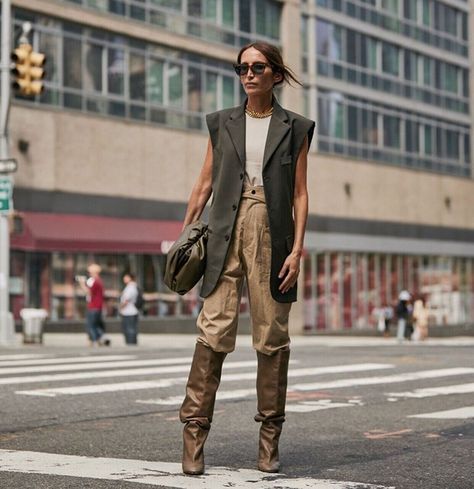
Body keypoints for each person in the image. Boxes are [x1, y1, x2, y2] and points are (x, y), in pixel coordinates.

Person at [178, 41, 315, 476]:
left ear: (275, 74)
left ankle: (269, 443)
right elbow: (203, 183)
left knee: (272, 336)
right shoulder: (222, 123)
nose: (249, 74)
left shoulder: (295, 127)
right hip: (222, 231)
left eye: (258, 67)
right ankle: (194, 437)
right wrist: (186, 235)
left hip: (271, 235)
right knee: (212, 330)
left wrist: (296, 249)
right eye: (242, 68)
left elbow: (299, 192)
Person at [78, 264, 110, 347]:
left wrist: (82, 284)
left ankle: (95, 340)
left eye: (90, 272)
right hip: (97, 306)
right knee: (96, 324)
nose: (89, 274)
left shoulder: (96, 282)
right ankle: (101, 339)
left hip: (94, 306)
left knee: (91, 325)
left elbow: (89, 292)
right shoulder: (99, 281)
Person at [120, 272, 139, 345]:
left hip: (129, 311)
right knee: (131, 328)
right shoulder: (132, 287)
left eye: (126, 277)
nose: (124, 278)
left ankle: (131, 343)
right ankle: (132, 342)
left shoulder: (131, 287)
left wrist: (121, 307)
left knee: (130, 329)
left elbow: (126, 300)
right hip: (130, 311)